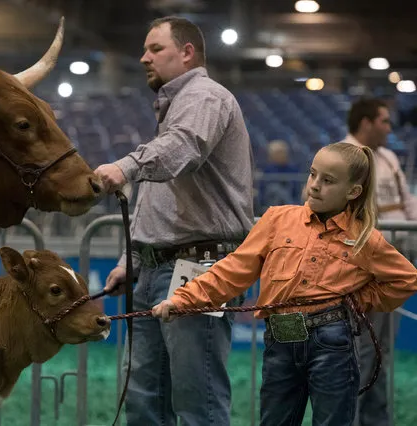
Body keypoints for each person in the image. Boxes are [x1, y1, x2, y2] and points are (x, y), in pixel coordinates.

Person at [152, 141, 417, 426]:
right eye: (312, 174)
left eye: (328, 181)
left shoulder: (366, 238)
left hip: (333, 342)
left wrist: (358, 301)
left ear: (353, 192)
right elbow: (233, 270)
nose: (315, 185)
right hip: (280, 339)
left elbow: (405, 279)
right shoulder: (277, 219)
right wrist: (183, 298)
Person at [94, 16, 254, 426]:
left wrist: (127, 165)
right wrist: (129, 259)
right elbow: (157, 196)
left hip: (199, 268)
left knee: (196, 399)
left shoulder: (205, 97)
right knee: (145, 400)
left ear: (187, 53)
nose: (144, 57)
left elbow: (185, 149)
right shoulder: (175, 107)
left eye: (155, 49)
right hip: (155, 269)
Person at [341, 97, 417, 426]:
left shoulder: (386, 158)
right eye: (384, 121)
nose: (389, 128)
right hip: (362, 265)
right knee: (361, 347)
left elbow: (406, 202)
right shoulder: (342, 156)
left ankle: (376, 419)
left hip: (396, 260)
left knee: (381, 348)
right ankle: (351, 418)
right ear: (366, 122)